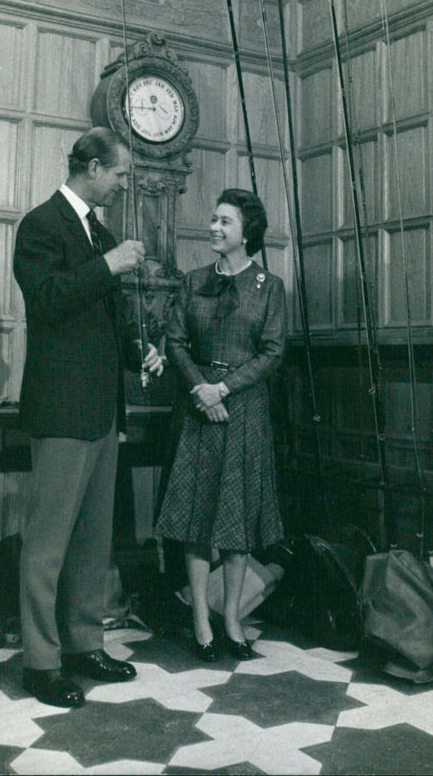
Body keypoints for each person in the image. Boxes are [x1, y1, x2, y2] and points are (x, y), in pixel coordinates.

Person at [13, 127, 164, 708]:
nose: (123, 184)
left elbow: (104, 320)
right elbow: (47, 300)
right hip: (60, 411)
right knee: (48, 544)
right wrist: (111, 265)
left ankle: (83, 643)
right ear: (94, 167)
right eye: (120, 173)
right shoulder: (41, 225)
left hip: (102, 412)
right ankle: (41, 662)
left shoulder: (97, 231)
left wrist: (137, 350)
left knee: (92, 542)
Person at [154, 188, 287, 661]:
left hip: (243, 412)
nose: (213, 227)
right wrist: (200, 391)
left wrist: (224, 390)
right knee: (195, 521)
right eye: (214, 219)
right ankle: (200, 624)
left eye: (224, 222)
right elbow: (176, 342)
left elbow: (273, 352)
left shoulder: (269, 287)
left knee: (236, 522)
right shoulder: (193, 282)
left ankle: (231, 620)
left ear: (246, 232)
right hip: (198, 411)